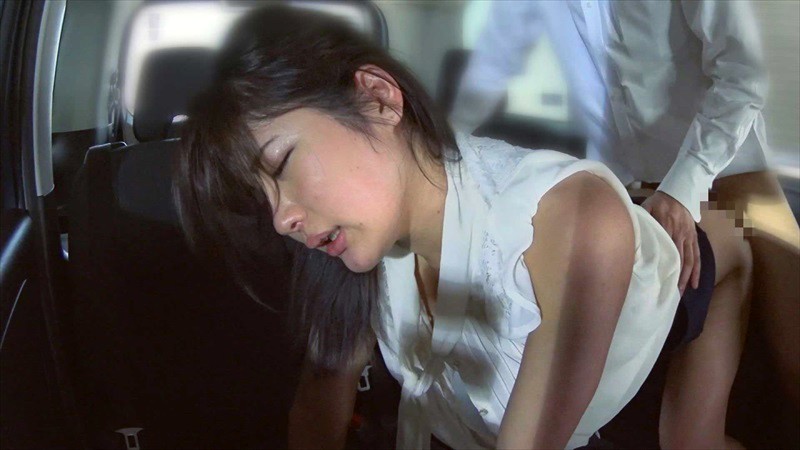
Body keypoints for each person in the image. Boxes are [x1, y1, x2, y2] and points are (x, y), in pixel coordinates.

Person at [173, 6, 751, 450]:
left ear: (378, 99)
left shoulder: (575, 223)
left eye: (282, 165)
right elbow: (319, 406)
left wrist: (684, 189)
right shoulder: (352, 240)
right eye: (263, 199)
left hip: (684, 263)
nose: (282, 218)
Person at [452, 0, 800, 408]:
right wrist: (436, 154)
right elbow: (490, 69)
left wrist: (681, 188)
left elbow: (744, 77)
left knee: (792, 355)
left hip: (731, 174)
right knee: (673, 421)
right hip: (632, 195)